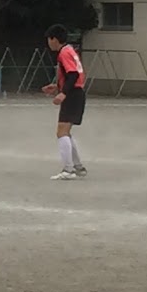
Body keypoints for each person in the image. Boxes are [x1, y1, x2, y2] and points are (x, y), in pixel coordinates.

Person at [42, 25, 88, 180]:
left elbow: (73, 74)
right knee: (65, 132)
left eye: (49, 39)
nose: (48, 43)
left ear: (54, 39)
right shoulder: (69, 50)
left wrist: (63, 93)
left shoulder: (64, 52)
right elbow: (73, 75)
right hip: (76, 93)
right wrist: (57, 86)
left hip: (73, 94)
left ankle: (68, 170)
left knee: (61, 132)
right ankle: (77, 166)